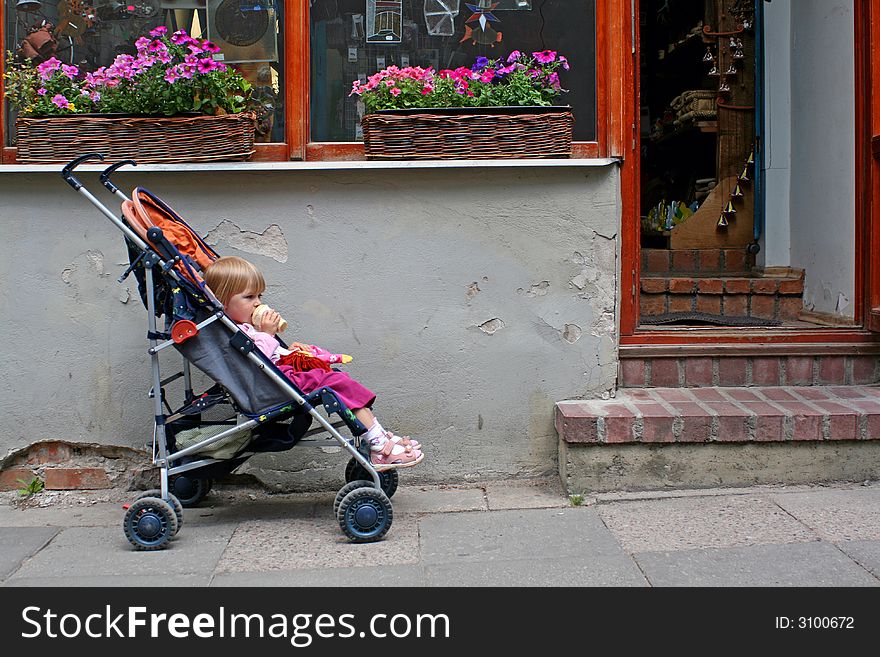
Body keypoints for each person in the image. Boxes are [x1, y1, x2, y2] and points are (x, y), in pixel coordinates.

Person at [203, 255, 424, 471]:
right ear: (223, 301)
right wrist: (268, 335)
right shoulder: (236, 332)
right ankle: (378, 445)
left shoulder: (247, 327)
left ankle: (376, 434)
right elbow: (254, 361)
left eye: (259, 295)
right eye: (249, 297)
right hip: (273, 389)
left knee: (338, 379)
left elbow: (268, 357)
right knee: (335, 382)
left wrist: (290, 352)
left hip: (281, 378)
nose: (258, 302)